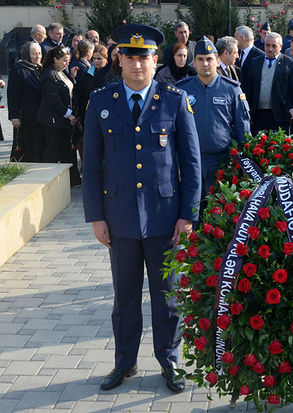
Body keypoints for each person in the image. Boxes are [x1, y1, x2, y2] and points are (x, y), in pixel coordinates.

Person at [82, 23, 201, 393]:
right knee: (125, 298)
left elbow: (192, 162)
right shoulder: (102, 102)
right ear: (119, 60)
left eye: (144, 58)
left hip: (165, 218)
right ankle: (125, 362)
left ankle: (170, 363)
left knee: (167, 298)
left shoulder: (174, 100)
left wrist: (188, 214)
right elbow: (92, 165)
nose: (137, 65)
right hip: (119, 219)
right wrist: (95, 216)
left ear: (155, 61)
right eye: (130, 58)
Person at [177, 36, 250, 211]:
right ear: (193, 63)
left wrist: (245, 161)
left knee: (218, 213)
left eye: (209, 59)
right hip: (189, 161)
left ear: (217, 61)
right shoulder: (182, 90)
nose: (205, 64)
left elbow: (242, 128)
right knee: (191, 211)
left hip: (222, 161)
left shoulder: (232, 89)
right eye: (200, 59)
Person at [37, 45, 81, 186]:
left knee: (67, 150)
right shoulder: (49, 75)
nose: (67, 63)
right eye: (64, 60)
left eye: (68, 60)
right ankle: (46, 181)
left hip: (63, 120)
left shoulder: (62, 72)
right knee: (52, 150)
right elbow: (53, 99)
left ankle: (72, 179)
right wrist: (69, 115)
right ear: (55, 60)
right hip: (53, 121)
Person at [244, 32, 293, 134]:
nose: (270, 49)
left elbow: (292, 90)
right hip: (258, 114)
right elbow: (249, 88)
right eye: (267, 45)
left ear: (281, 46)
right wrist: (248, 112)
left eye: (274, 46)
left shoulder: (289, 63)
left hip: (279, 115)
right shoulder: (255, 62)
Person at [8, 41, 44, 162]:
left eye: (39, 53)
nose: (38, 56)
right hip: (25, 116)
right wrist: (14, 116)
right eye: (34, 54)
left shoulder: (39, 69)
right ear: (26, 55)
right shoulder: (18, 69)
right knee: (25, 146)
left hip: (39, 116)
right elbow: (12, 94)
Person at [74, 44, 109, 164]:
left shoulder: (108, 74)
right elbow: (79, 92)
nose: (96, 61)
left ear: (106, 59)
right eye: (94, 58)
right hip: (87, 112)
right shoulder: (88, 73)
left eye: (100, 58)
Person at [234, 25, 265, 90]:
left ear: (242, 38)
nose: (234, 40)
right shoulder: (236, 53)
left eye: (235, 37)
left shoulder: (260, 56)